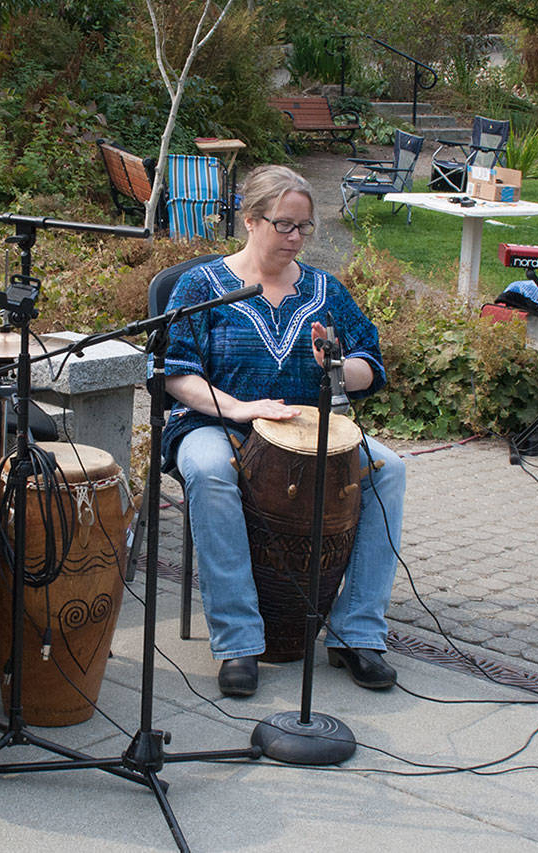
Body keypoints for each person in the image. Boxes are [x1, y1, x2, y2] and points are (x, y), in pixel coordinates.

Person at [162, 164, 406, 697]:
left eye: (304, 228)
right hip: (215, 420)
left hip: (305, 430)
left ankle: (357, 633)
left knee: (390, 472)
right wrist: (242, 410)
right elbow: (178, 376)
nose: (296, 239)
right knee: (207, 470)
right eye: (284, 225)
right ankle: (240, 642)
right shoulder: (202, 286)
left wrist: (335, 364)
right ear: (251, 220)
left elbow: (371, 368)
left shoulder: (325, 290)